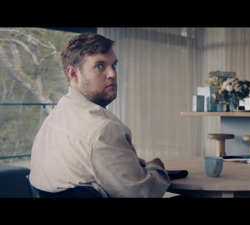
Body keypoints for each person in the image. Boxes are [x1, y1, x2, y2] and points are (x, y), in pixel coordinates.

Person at [29, 33, 170, 197]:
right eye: (100, 66)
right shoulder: (103, 128)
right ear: (73, 74)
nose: (112, 74)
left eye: (114, 65)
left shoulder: (54, 118)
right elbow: (144, 194)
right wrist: (156, 167)